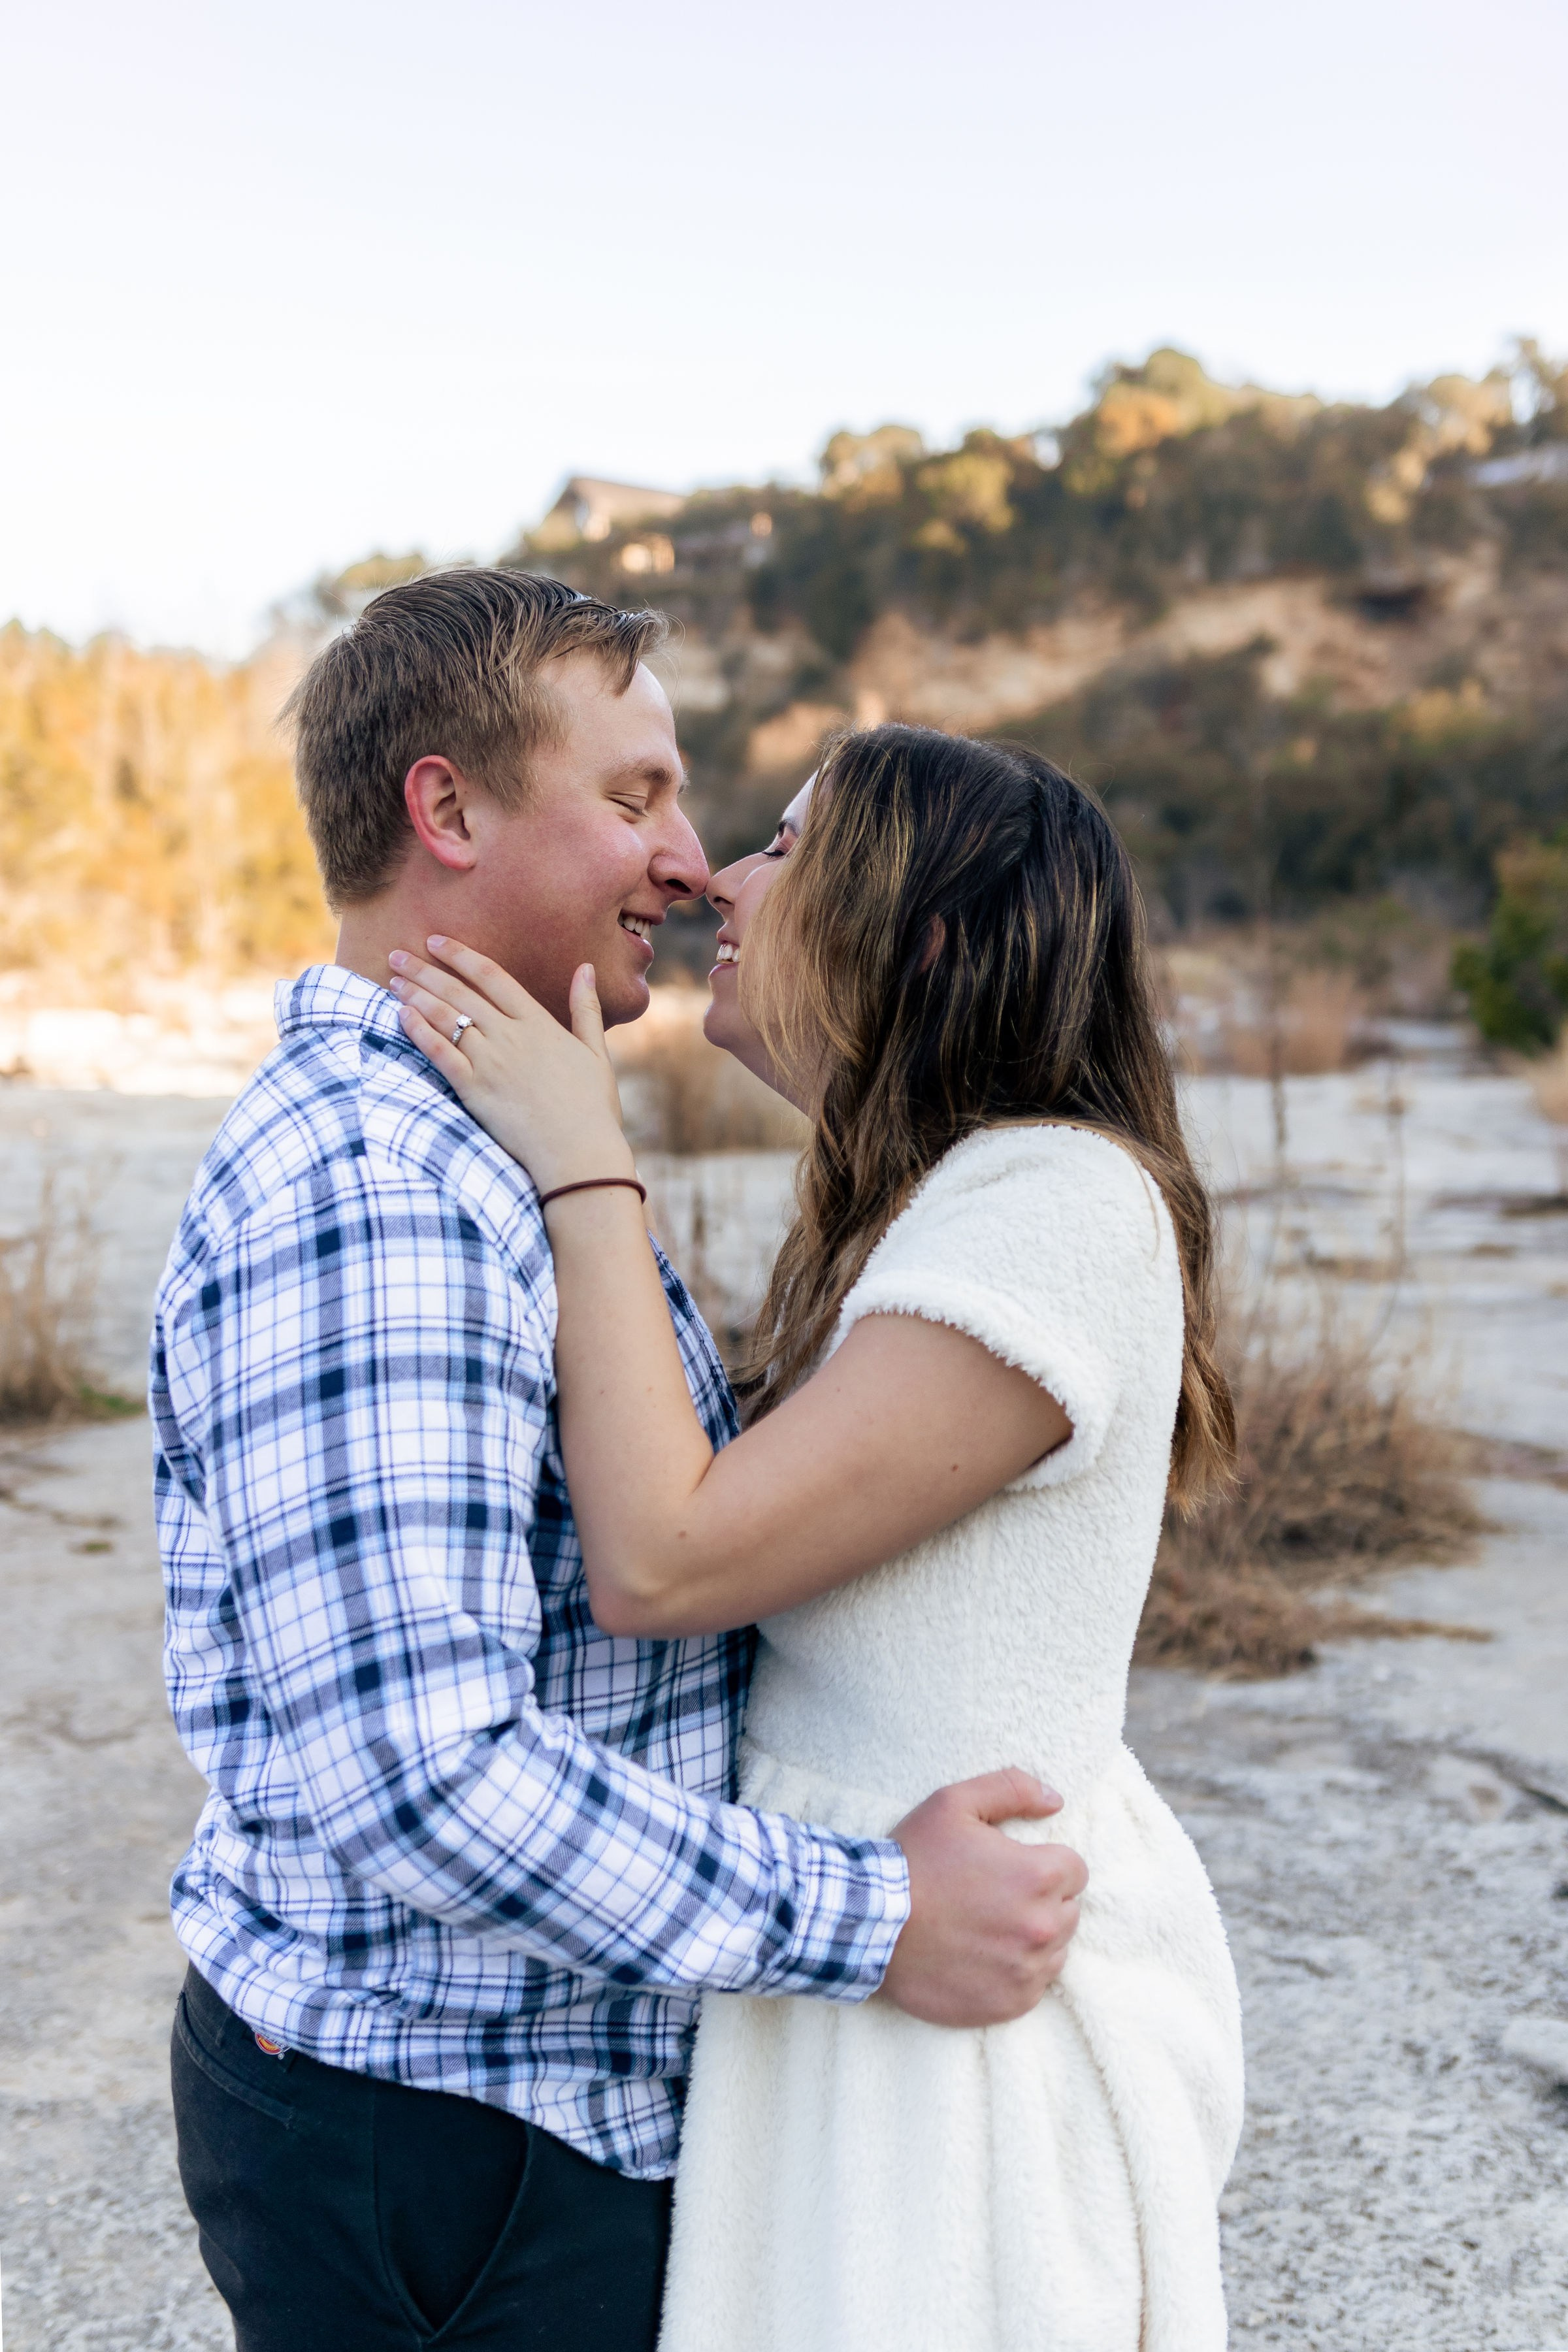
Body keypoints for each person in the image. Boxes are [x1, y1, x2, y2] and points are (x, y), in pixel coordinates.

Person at [150, 571, 1087, 2352]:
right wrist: (878, 1916)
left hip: (515, 2108)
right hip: (449, 2136)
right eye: (636, 798)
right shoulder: (377, 1196)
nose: (692, 861)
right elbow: (423, 1777)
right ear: (448, 810)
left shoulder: (488, 1137)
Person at [391, 721, 1248, 2352]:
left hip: (964, 2033)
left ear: (918, 935)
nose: (722, 874)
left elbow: (668, 1560)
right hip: (871, 1958)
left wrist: (585, 1163)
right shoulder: (941, 1200)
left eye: (787, 847)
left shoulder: (1058, 1202)